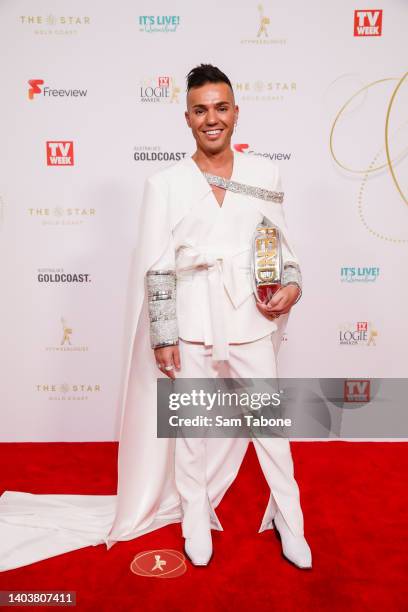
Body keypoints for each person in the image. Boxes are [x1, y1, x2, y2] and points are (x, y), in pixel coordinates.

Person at [0, 64, 311, 572]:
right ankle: (194, 516)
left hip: (248, 319)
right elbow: (156, 263)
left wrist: (293, 283)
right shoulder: (164, 183)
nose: (212, 118)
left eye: (221, 107)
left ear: (236, 112)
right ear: (186, 117)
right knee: (190, 431)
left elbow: (279, 246)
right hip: (189, 322)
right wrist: (162, 335)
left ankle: (290, 520)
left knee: (270, 430)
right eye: (200, 110)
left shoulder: (264, 174)